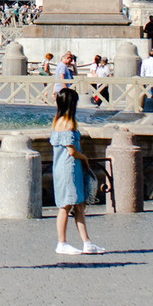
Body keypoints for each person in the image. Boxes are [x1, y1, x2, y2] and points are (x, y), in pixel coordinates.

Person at [48, 88, 106, 257]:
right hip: (69, 168)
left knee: (79, 206)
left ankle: (87, 242)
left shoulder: (57, 120)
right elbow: (72, 151)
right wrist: (85, 157)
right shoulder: (68, 123)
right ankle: (62, 243)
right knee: (66, 206)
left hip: (65, 168)